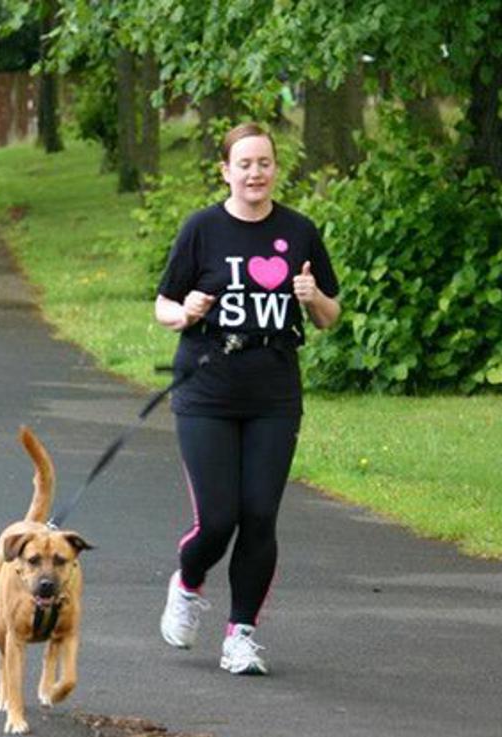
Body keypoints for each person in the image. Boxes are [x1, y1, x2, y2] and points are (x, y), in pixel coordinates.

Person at [154, 122, 341, 675]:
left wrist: (313, 299)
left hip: (273, 392)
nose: (255, 173)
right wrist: (185, 312)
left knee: (259, 516)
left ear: (275, 168)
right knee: (218, 519)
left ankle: (240, 635)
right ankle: (187, 584)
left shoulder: (299, 230)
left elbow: (330, 316)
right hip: (207, 388)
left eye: (264, 163)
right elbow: (163, 306)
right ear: (226, 171)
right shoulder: (202, 229)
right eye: (244, 164)